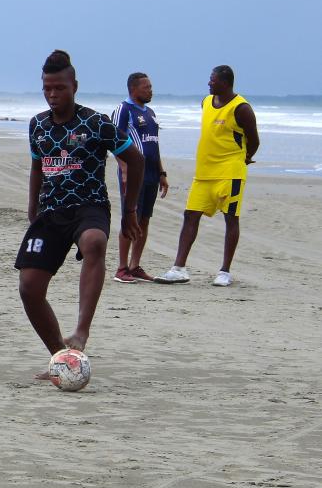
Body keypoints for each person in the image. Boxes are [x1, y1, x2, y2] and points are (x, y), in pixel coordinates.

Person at [15, 50, 142, 375]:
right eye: (47, 88)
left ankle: (81, 332)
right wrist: (33, 210)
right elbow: (36, 166)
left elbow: (136, 161)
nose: (53, 94)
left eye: (60, 88)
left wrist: (130, 211)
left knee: (95, 242)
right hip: (51, 211)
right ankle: (62, 356)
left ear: (74, 85)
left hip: (89, 206)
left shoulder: (96, 123)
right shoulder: (37, 125)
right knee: (29, 287)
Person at [155, 65, 260, 287]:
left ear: (225, 82)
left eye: (213, 80)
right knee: (190, 215)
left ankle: (224, 272)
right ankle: (179, 268)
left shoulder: (241, 108)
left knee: (231, 218)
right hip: (204, 173)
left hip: (230, 172)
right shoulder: (206, 102)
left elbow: (254, 140)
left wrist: (245, 157)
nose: (209, 83)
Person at [110, 73, 168, 283]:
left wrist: (162, 173)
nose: (151, 90)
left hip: (152, 173)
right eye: (147, 87)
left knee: (144, 219)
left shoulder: (151, 113)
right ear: (133, 89)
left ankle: (135, 265)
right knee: (130, 216)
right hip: (134, 175)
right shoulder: (123, 110)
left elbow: (154, 144)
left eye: (151, 87)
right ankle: (122, 267)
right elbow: (115, 141)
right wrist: (124, 168)